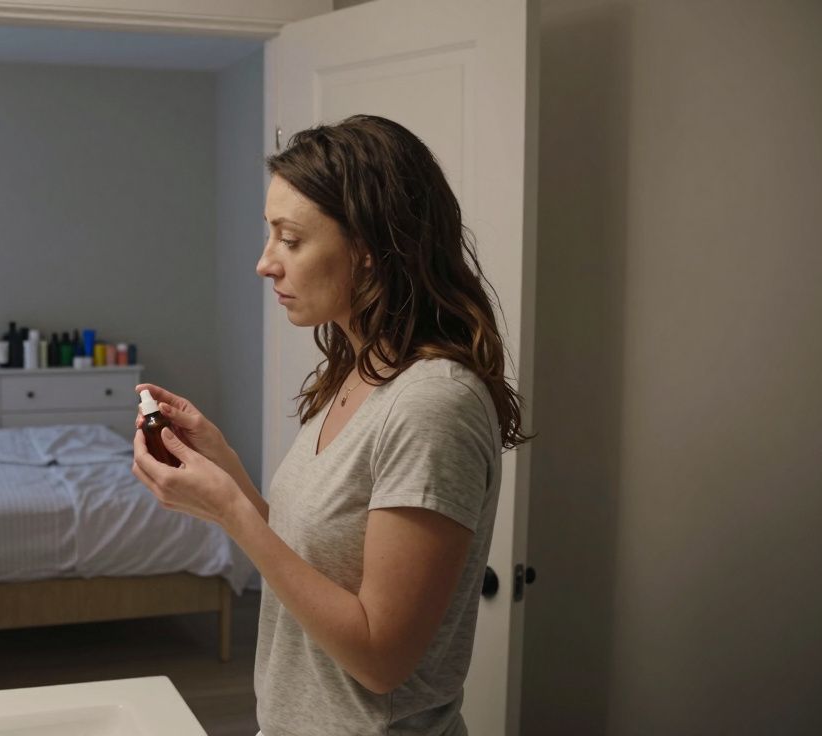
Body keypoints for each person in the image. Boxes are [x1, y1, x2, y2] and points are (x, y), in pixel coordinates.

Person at [131, 114, 530, 735]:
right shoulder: (359, 373)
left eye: (290, 240)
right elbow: (313, 563)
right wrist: (224, 469)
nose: (266, 264)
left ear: (368, 249)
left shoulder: (431, 405)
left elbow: (381, 657)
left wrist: (233, 512)